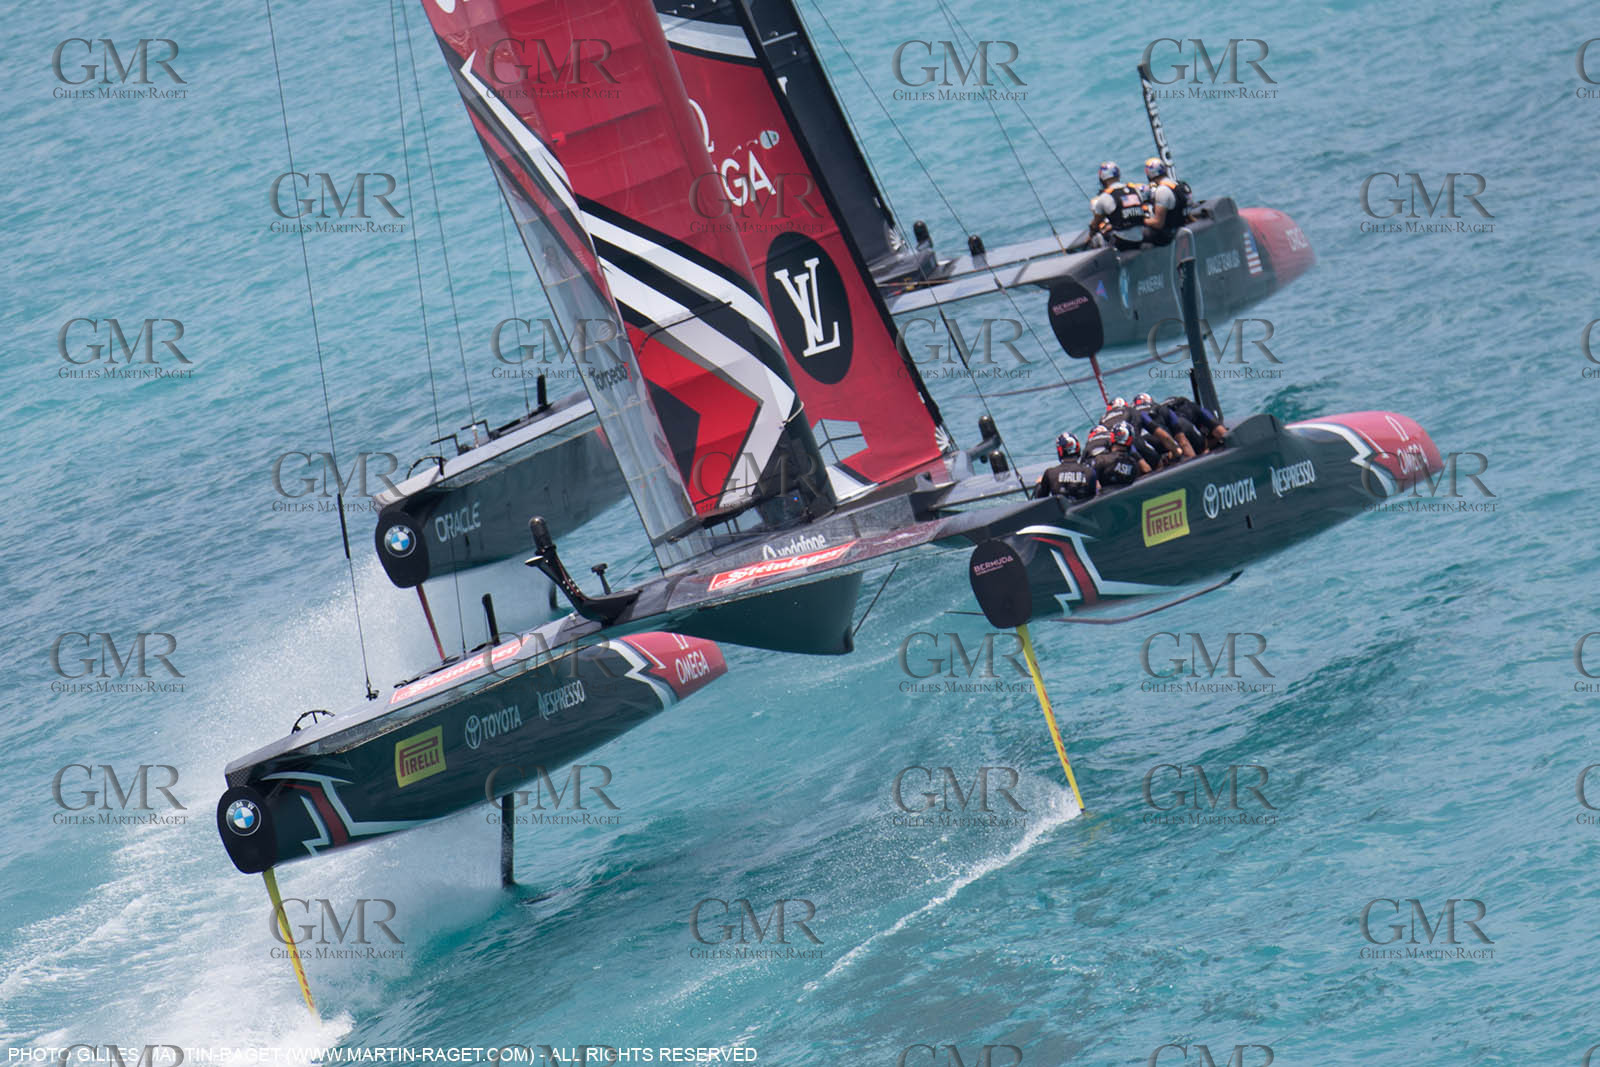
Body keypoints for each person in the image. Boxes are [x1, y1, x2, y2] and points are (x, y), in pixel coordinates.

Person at [1088, 162, 1149, 251]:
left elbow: (1095, 224)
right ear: (1118, 175)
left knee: (1097, 236)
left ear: (1102, 179)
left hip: (1123, 242)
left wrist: (1091, 233)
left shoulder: (1105, 197)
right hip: (1141, 236)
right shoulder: (1134, 189)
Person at [1033, 432, 1098, 501]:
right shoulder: (1090, 472)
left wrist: (1039, 484)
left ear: (1060, 451)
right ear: (1078, 448)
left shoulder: (1050, 473)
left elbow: (1039, 498)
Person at [1141, 158, 1192, 245]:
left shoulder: (1162, 191)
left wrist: (1140, 220)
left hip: (1170, 233)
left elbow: (1158, 223)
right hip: (1183, 223)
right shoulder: (1179, 184)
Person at [1134, 392, 1195, 462]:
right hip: (1165, 440)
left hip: (1143, 446)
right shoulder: (1161, 408)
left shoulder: (1134, 413)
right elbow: (1182, 442)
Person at [1161, 394, 1228, 452]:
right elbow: (1222, 433)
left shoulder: (1164, 414)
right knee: (1202, 448)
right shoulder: (1194, 407)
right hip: (1184, 421)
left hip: (1165, 423)